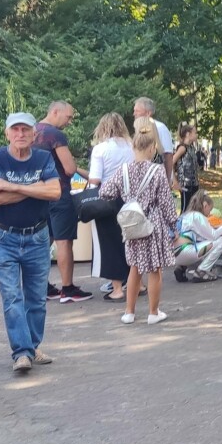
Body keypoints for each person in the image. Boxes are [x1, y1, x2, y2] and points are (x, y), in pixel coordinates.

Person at [0, 113, 61, 375]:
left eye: (25, 130)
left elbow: (55, 192)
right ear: (7, 133)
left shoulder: (43, 157)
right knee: (12, 296)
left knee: (37, 298)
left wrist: (11, 185)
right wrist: (34, 187)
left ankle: (32, 346)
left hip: (38, 237)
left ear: (34, 134)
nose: (20, 134)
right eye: (15, 129)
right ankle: (21, 353)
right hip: (3, 238)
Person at [101, 128, 175, 325]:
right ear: (152, 148)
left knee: (134, 267)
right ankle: (153, 312)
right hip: (152, 224)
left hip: (132, 226)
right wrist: (173, 223)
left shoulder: (123, 170)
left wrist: (126, 199)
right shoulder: (157, 170)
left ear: (133, 147)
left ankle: (129, 312)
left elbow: (105, 192)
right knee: (155, 269)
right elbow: (166, 202)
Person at [34, 101, 91, 303]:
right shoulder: (55, 135)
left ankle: (41, 286)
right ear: (55, 112)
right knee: (64, 241)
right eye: (68, 117)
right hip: (59, 193)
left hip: (38, 193)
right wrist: (88, 175)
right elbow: (69, 168)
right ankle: (68, 288)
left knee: (43, 241)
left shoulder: (31, 132)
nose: (69, 121)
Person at [87, 112, 133, 302]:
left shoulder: (100, 149)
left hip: (108, 200)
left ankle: (117, 289)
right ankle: (137, 284)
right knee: (130, 241)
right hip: (130, 199)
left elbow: (95, 179)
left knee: (110, 244)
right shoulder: (131, 146)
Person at [173, 191, 222, 282]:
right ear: (205, 205)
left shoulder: (186, 215)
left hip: (175, 253)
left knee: (197, 244)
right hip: (185, 251)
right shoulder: (197, 216)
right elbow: (213, 236)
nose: (209, 214)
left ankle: (181, 267)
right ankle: (202, 271)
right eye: (209, 210)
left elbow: (199, 236)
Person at [132, 97, 175, 178]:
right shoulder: (137, 128)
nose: (134, 114)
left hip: (156, 177)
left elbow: (168, 155)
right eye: (134, 110)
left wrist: (168, 179)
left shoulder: (160, 128)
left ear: (148, 113)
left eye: (137, 111)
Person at [173, 122, 202, 213]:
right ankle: (181, 226)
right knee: (185, 209)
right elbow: (171, 163)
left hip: (194, 184)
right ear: (188, 134)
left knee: (194, 209)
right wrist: (175, 181)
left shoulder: (192, 148)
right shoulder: (182, 148)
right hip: (185, 184)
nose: (196, 135)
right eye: (195, 133)